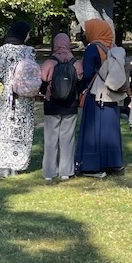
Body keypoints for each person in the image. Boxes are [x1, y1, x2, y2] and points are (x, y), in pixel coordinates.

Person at [74, 18, 126, 178]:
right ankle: (113, 163)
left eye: (87, 30)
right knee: (109, 129)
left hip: (96, 93)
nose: (85, 34)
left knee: (94, 129)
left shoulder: (93, 48)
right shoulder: (113, 48)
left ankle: (92, 166)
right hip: (111, 93)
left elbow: (88, 73)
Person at [0, 21, 38, 178]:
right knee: (23, 129)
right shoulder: (30, 51)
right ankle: (18, 164)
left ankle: (4, 166)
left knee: (6, 129)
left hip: (9, 97)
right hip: (26, 98)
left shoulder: (3, 50)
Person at [39, 33, 82, 181]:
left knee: (50, 139)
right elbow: (80, 84)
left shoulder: (49, 63)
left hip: (52, 105)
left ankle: (49, 172)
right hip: (70, 105)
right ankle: (66, 171)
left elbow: (42, 83)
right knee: (67, 138)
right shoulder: (76, 64)